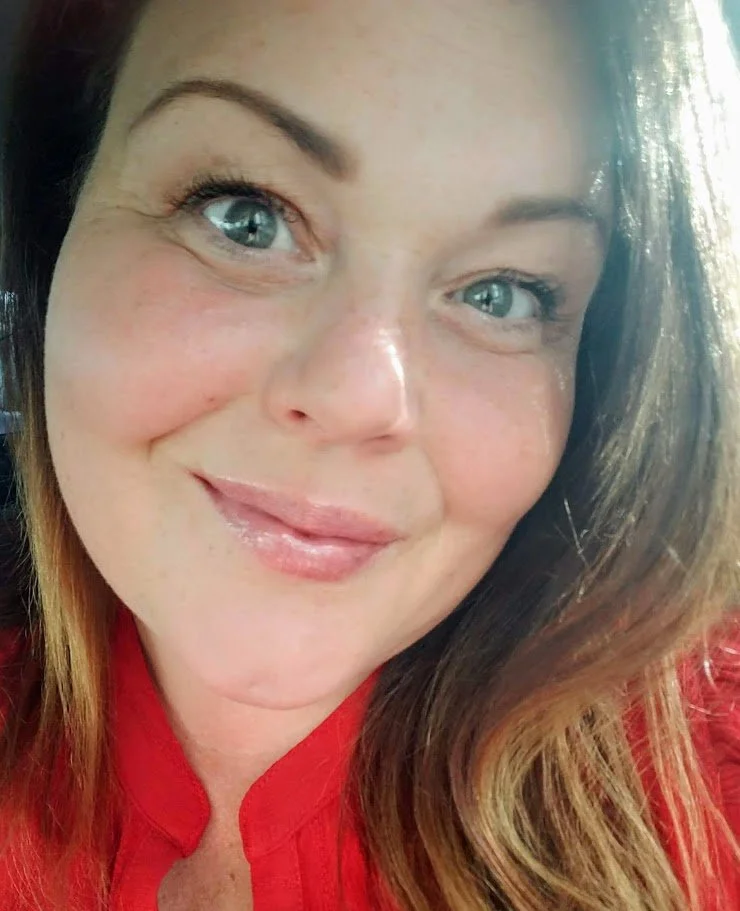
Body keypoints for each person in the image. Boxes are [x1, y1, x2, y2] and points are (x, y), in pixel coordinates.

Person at [0, 0, 738, 908]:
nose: (359, 398)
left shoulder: (712, 793)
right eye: (245, 216)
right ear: (57, 217)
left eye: (503, 293)